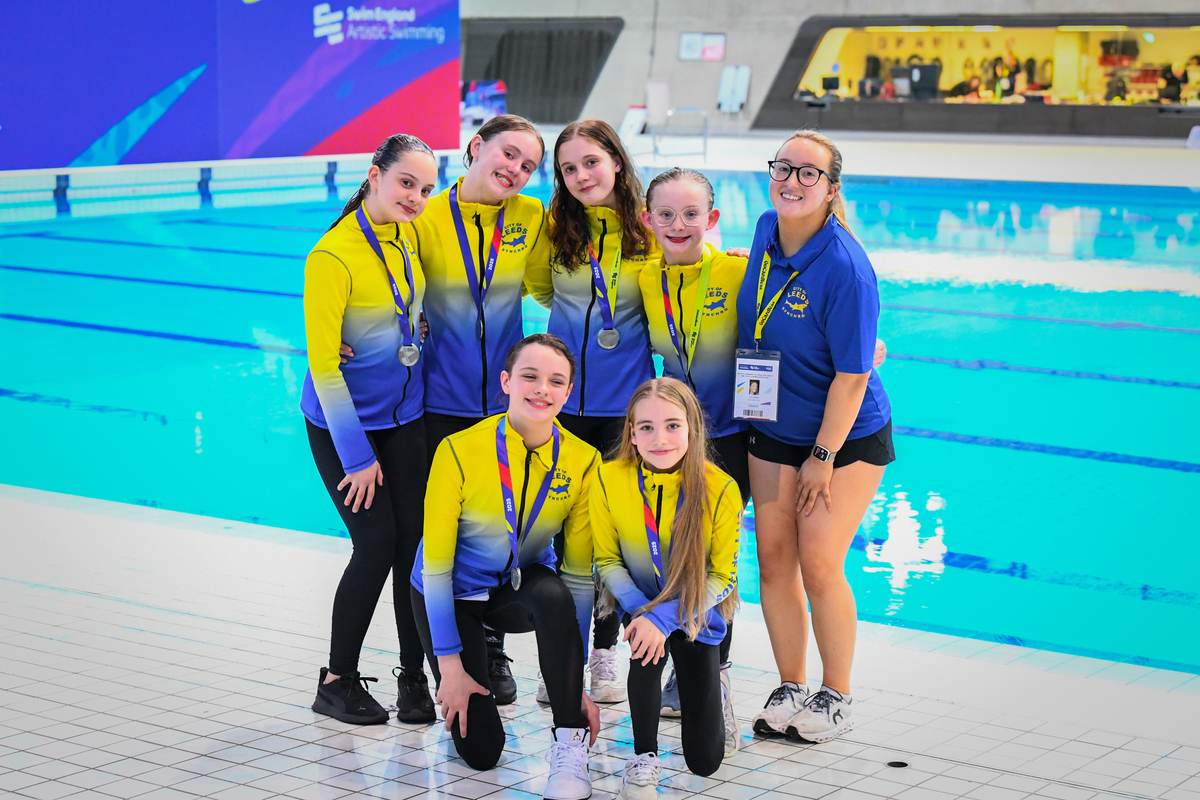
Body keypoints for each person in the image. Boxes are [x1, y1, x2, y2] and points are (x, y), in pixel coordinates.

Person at [636, 166, 887, 723]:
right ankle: (776, 683)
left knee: (792, 561)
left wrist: (869, 346)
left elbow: (827, 314)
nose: (678, 224)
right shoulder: (653, 275)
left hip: (750, 432)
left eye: (691, 213)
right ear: (647, 220)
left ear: (711, 219)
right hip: (728, 434)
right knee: (751, 559)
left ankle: (740, 675)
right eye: (666, 214)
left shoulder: (738, 269)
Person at [737, 131, 894, 744]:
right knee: (774, 561)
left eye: (810, 173)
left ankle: (837, 695)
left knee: (821, 563)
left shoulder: (847, 270)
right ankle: (790, 684)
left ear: (831, 189)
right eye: (784, 168)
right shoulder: (764, 232)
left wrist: (822, 457)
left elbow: (853, 378)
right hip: (773, 424)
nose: (793, 181)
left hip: (843, 438)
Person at [411, 333, 601, 800]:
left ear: (569, 391)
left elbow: (579, 579)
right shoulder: (459, 450)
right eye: (529, 376)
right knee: (482, 751)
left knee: (555, 592)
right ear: (506, 382)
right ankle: (472, 660)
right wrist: (450, 667)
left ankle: (569, 746)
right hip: (452, 593)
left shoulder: (583, 461)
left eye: (556, 381)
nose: (542, 389)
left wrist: (572, 685)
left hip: (518, 588)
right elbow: (435, 569)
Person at [411, 114, 550, 704]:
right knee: (439, 537)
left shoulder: (529, 215)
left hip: (505, 406)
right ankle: (422, 668)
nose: (515, 170)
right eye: (508, 154)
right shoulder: (424, 215)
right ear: (475, 146)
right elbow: (378, 270)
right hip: (439, 403)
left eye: (528, 165)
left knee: (500, 531)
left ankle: (489, 648)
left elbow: (553, 285)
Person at [301, 134, 439, 725]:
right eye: (406, 182)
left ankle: (414, 678)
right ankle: (336, 681)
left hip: (404, 418)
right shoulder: (332, 256)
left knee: (415, 547)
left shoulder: (405, 236)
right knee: (377, 544)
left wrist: (414, 327)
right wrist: (357, 458)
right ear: (374, 174)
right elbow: (324, 367)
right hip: (346, 426)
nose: (415, 197)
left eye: (425, 189)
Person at [525, 119, 659, 703]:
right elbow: (540, 289)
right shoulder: (556, 230)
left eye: (591, 162)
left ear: (617, 163)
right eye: (568, 168)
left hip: (621, 410)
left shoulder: (650, 230)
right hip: (557, 408)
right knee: (558, 533)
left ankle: (604, 652)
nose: (581, 176)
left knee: (612, 533)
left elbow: (688, 281)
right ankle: (561, 656)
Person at [591, 378, 741, 799]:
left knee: (705, 761)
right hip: (640, 608)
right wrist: (644, 614)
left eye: (673, 425)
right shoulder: (608, 479)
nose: (660, 439)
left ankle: (718, 688)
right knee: (645, 650)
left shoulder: (721, 489)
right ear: (631, 434)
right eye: (647, 427)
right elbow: (607, 561)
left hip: (694, 615)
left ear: (693, 427)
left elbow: (723, 577)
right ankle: (644, 756)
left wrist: (663, 618)